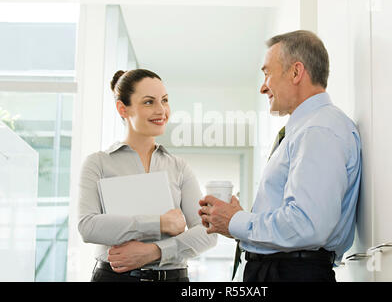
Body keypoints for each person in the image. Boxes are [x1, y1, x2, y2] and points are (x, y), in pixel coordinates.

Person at [199, 30, 362, 282]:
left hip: (292, 274)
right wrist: (236, 222)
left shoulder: (318, 130)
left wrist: (237, 221)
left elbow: (307, 225)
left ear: (296, 72)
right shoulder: (306, 129)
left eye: (267, 73)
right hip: (282, 270)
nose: (263, 87)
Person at [78, 69, 217, 282]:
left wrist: (156, 251)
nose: (161, 110)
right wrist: (159, 223)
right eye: (149, 102)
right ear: (122, 109)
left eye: (165, 100)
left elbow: (207, 234)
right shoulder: (98, 163)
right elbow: (88, 226)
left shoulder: (179, 167)